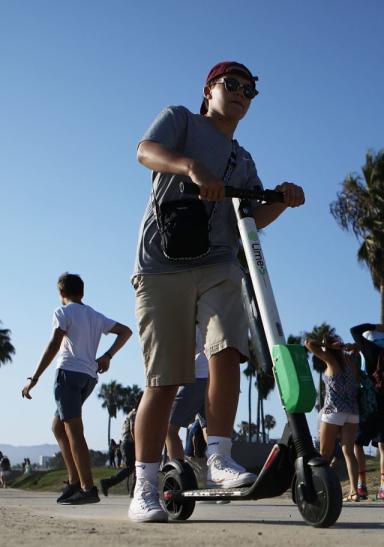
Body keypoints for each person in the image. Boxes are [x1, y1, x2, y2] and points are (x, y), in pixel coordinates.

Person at [128, 60, 305, 522]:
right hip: (161, 265)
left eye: (250, 89)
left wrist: (280, 202)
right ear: (209, 90)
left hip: (219, 263)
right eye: (233, 84)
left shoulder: (243, 161)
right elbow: (144, 151)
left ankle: (219, 457)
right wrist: (189, 165)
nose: (242, 93)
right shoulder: (181, 120)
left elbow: (248, 220)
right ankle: (144, 486)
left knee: (229, 349)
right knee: (164, 382)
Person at [21, 273, 133, 505]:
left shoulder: (63, 312)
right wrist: (108, 356)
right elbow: (126, 331)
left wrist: (35, 377)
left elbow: (54, 344)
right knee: (58, 427)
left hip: (68, 375)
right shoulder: (94, 315)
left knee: (74, 433)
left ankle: (87, 488)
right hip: (88, 378)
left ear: (61, 293)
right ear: (82, 292)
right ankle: (74, 481)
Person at [304, 334, 362, 502]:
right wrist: (347, 346)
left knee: (324, 454)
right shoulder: (350, 360)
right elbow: (358, 348)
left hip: (334, 411)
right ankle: (353, 491)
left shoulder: (330, 359)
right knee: (349, 452)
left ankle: (318, 489)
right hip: (352, 412)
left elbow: (308, 343)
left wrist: (329, 347)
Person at [350, 323, 384, 501]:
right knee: (383, 445)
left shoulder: (370, 349)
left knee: (357, 443)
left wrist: (373, 326)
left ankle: (362, 485)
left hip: (370, 404)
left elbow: (354, 331)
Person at [164, 328, 210, 481]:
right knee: (208, 428)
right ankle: (216, 476)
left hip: (197, 376)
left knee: (169, 428)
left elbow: (186, 352)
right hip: (213, 376)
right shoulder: (211, 314)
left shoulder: (190, 318)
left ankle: (181, 478)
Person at [100, 396, 139, 497]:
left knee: (137, 468)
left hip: (129, 443)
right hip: (129, 444)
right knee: (131, 468)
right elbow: (133, 430)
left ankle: (134, 492)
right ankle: (108, 482)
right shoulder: (135, 413)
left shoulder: (134, 413)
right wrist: (138, 444)